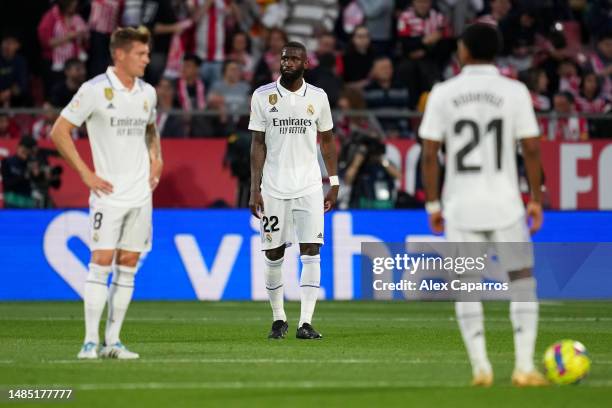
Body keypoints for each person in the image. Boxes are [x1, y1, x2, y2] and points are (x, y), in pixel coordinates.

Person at [419, 23, 547, 387]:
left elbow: (430, 153)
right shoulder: (515, 91)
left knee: (466, 284)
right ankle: (524, 366)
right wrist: (535, 198)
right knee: (522, 281)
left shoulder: (443, 93)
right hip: (506, 202)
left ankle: (481, 368)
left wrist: (432, 205)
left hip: (460, 204)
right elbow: (532, 147)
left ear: (464, 51)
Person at [50, 27, 163, 360]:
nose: (146, 59)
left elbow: (150, 128)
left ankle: (112, 342)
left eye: (147, 54)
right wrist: (86, 174)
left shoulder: (148, 92)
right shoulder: (94, 90)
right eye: (141, 54)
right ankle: (89, 342)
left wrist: (158, 158)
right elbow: (60, 132)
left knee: (128, 265)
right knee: (100, 263)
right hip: (108, 194)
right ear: (120, 54)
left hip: (141, 193)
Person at [248, 41, 338, 340]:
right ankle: (278, 318)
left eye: (294, 58)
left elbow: (326, 141)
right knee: (273, 253)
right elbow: (257, 144)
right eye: (284, 58)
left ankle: (306, 322)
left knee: (311, 250)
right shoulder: (263, 96)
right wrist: (254, 188)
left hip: (310, 186)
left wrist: (333, 183)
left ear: (305, 63)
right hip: (273, 187)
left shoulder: (318, 97)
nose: (287, 62)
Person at [1, 136, 36, 208]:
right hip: (12, 200)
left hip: (28, 201)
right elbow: (7, 183)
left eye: (28, 150)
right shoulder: (8, 162)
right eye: (23, 149)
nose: (25, 152)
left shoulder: (32, 163)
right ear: (18, 147)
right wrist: (24, 175)